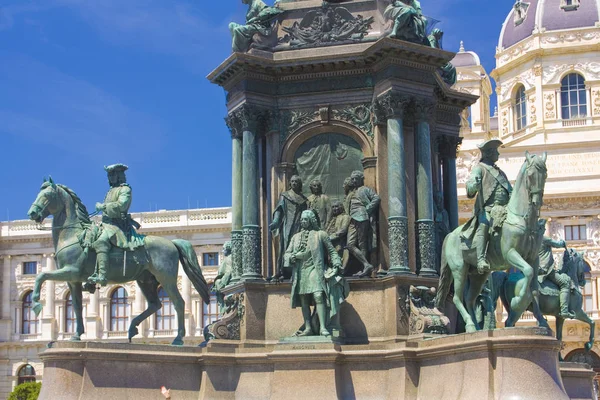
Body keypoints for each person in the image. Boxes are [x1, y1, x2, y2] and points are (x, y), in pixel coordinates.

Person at [284, 210, 342, 337]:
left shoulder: (320, 234)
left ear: (311, 220)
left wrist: (337, 263)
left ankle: (322, 327)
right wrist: (292, 258)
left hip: (315, 269)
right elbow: (287, 253)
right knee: (304, 299)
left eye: (305, 219)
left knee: (318, 295)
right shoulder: (295, 237)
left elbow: (332, 251)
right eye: (302, 220)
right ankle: (308, 328)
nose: (303, 222)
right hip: (301, 271)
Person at [461, 140, 512, 274]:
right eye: (496, 151)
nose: (498, 153)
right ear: (489, 153)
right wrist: (473, 186)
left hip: (504, 209)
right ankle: (481, 259)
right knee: (483, 225)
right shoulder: (479, 168)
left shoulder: (500, 172)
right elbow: (470, 187)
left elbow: (510, 190)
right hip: (488, 209)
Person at [88, 164, 143, 286]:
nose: (110, 177)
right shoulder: (110, 191)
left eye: (112, 174)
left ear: (119, 176)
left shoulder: (125, 189)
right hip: (106, 224)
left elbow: (122, 205)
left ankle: (102, 276)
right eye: (109, 175)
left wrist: (103, 207)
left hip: (117, 226)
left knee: (101, 241)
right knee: (88, 238)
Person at [270, 175, 308, 278]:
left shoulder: (304, 199)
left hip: (299, 225)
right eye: (292, 181)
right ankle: (284, 271)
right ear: (290, 184)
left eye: (296, 181)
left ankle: (297, 270)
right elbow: (279, 210)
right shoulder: (285, 196)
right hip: (287, 225)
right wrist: (275, 221)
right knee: (286, 246)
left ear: (299, 184)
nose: (294, 183)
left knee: (299, 245)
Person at [346, 171, 380, 278]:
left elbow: (376, 198)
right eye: (353, 179)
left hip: (361, 217)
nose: (354, 181)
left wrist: (367, 209)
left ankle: (364, 268)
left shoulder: (365, 189)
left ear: (361, 179)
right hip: (352, 219)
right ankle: (366, 264)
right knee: (350, 244)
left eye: (356, 178)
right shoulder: (351, 192)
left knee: (362, 243)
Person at [537, 219, 574, 318]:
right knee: (565, 283)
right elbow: (558, 244)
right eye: (544, 228)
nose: (545, 230)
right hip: (546, 271)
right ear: (541, 229)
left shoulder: (531, 240)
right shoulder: (544, 239)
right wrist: (562, 242)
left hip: (536, 270)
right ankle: (564, 311)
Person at [326, 200, 351, 271]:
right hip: (330, 244)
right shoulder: (332, 219)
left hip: (341, 243)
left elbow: (343, 230)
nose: (334, 209)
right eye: (333, 207)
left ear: (341, 207)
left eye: (336, 206)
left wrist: (329, 237)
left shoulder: (345, 217)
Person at [213, 241, 233, 315]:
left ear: (228, 249)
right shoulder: (229, 258)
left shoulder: (228, 259)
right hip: (225, 288)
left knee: (223, 309)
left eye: (224, 249)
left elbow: (229, 272)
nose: (222, 251)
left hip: (224, 288)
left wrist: (221, 284)